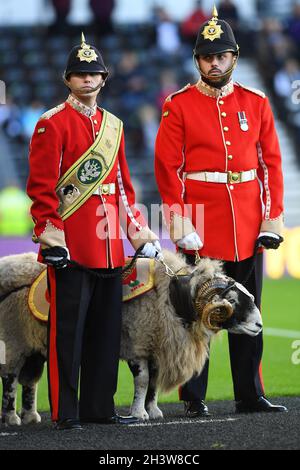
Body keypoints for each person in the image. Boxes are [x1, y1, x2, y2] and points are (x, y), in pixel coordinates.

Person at [155, 7, 288, 417]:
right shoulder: (178, 105)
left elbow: (271, 165)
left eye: (222, 55)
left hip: (248, 228)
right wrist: (181, 225)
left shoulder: (257, 103)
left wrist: (271, 221)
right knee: (200, 318)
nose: (215, 62)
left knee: (249, 314)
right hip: (202, 229)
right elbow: (167, 169)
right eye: (208, 56)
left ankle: (250, 394)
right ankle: (194, 398)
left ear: (235, 57)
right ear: (197, 60)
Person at [27, 33, 161, 430]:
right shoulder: (51, 124)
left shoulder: (114, 126)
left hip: (109, 248)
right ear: (67, 79)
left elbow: (122, 187)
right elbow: (42, 187)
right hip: (71, 246)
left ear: (104, 79)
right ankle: (65, 412)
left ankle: (99, 407)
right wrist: (51, 238)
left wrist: (139, 235)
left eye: (94, 74)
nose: (88, 80)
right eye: (80, 74)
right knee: (67, 336)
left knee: (105, 336)